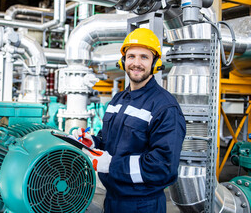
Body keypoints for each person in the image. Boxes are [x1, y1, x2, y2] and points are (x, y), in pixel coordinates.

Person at [73, 28, 186, 213]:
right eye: (131, 56)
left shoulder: (165, 107)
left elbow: (163, 166)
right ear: (123, 61)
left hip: (142, 204)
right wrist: (93, 142)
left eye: (144, 57)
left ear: (155, 62)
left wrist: (112, 165)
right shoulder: (119, 99)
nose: (136, 63)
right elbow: (109, 141)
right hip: (112, 199)